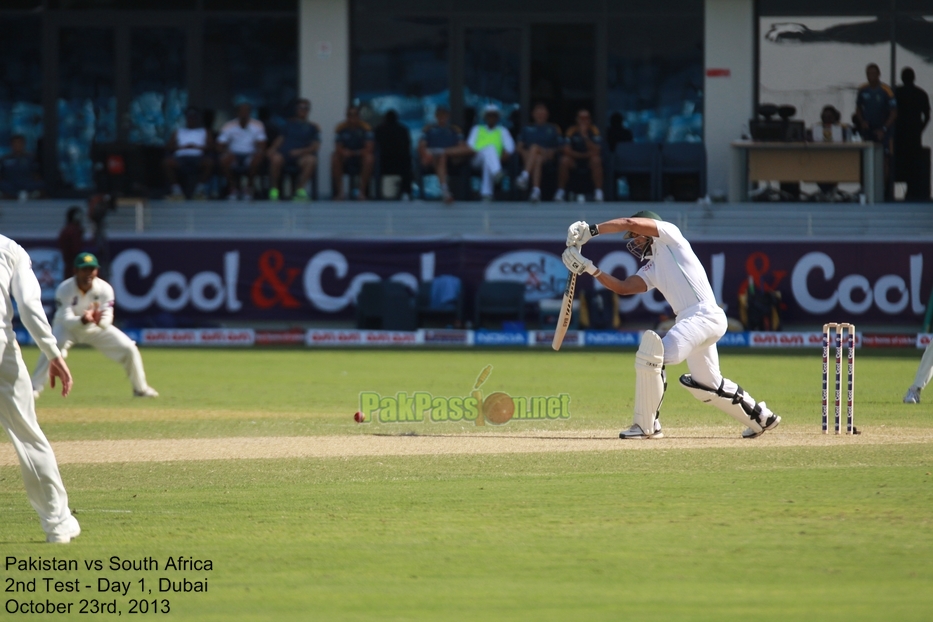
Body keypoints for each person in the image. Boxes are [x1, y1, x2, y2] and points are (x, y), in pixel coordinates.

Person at [562, 211, 780, 439]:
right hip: (696, 322)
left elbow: (629, 222)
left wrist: (591, 231)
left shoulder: (670, 236)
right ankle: (761, 417)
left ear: (648, 229)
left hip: (702, 315)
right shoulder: (652, 267)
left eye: (636, 236)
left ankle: (646, 426)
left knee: (651, 356)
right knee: (707, 385)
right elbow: (623, 287)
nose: (634, 241)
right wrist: (589, 268)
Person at [0, 234, 80, 543]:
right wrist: (53, 353)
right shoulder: (10, 249)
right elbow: (30, 308)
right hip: (2, 350)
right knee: (28, 436)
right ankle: (58, 525)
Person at [31, 253, 158, 400]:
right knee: (52, 348)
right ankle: (34, 387)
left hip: (95, 328)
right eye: (84, 269)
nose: (88, 274)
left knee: (129, 348)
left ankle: (140, 389)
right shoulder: (64, 289)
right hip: (67, 328)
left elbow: (107, 318)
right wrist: (83, 320)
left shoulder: (105, 289)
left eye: (91, 269)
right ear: (76, 271)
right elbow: (66, 320)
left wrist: (98, 321)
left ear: (96, 271)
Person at [855, 63, 897, 198]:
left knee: (884, 160)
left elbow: (894, 112)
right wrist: (862, 122)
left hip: (884, 132)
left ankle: (883, 190)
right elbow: (858, 108)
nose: (871, 76)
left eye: (873, 73)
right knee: (866, 159)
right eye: (868, 74)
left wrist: (884, 129)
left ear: (879, 74)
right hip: (868, 130)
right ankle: (865, 189)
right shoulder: (863, 90)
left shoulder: (886, 90)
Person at [268, 98, 320, 201]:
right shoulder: (288, 124)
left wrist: (300, 152)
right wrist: (272, 149)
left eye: (306, 108)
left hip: (301, 157)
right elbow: (280, 139)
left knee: (311, 160)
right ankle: (274, 189)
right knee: (275, 159)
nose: (303, 110)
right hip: (284, 155)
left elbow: (315, 146)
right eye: (301, 107)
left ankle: (299, 190)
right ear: (296, 109)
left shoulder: (312, 127)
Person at [417, 106, 472, 204]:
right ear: (436, 116)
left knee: (467, 150)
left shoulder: (454, 130)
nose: (442, 117)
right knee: (441, 157)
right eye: (440, 115)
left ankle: (443, 152)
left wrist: (449, 152)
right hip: (433, 158)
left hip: (452, 159)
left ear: (448, 116)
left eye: (444, 115)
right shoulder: (429, 130)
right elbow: (421, 146)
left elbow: (462, 147)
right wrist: (425, 155)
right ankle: (445, 191)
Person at [217, 99, 267, 200]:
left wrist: (257, 152)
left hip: (250, 155)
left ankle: (248, 188)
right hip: (233, 155)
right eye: (242, 111)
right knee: (224, 159)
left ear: (250, 112)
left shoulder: (257, 125)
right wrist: (227, 152)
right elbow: (219, 145)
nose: (244, 113)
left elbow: (262, 146)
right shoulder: (229, 126)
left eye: (247, 111)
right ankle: (233, 188)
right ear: (237, 112)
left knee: (258, 158)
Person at [466, 104, 515, 201]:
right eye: (489, 115)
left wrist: (504, 155)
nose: (491, 118)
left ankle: (486, 194)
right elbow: (469, 147)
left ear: (497, 117)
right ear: (485, 117)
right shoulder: (477, 129)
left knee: (488, 160)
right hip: (476, 159)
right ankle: (497, 172)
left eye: (494, 115)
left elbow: (510, 147)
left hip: (494, 160)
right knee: (489, 149)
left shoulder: (502, 131)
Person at [895, 67, 931, 201]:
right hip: (914, 135)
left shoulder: (896, 92)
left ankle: (891, 190)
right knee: (913, 165)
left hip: (899, 134)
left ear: (902, 78)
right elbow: (927, 116)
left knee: (899, 163)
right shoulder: (921, 94)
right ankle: (912, 191)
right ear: (914, 78)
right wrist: (920, 129)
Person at [515, 102, 563, 203]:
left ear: (547, 114)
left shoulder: (553, 128)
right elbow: (519, 147)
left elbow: (560, 147)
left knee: (534, 148)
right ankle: (536, 191)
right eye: (538, 112)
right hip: (532, 157)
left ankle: (525, 176)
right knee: (537, 158)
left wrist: (551, 151)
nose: (540, 115)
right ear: (533, 114)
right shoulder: (527, 129)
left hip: (547, 155)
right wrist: (525, 154)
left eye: (542, 112)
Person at [164, 106, 214, 200]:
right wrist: (181, 147)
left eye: (194, 117)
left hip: (198, 157)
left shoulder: (204, 131)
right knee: (167, 162)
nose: (191, 120)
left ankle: (199, 190)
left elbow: (211, 147)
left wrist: (197, 147)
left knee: (209, 162)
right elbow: (168, 146)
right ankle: (176, 191)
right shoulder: (179, 131)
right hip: (181, 157)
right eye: (189, 117)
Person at [555, 109, 604, 202]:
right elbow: (566, 150)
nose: (583, 121)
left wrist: (585, 136)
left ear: (590, 120)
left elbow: (597, 150)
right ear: (577, 120)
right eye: (581, 118)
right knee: (564, 160)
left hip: (589, 161)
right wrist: (584, 155)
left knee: (596, 160)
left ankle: (598, 192)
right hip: (575, 160)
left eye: (586, 118)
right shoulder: (571, 130)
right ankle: (560, 191)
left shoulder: (594, 130)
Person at [331, 105, 375, 200]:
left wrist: (356, 153)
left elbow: (369, 148)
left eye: (354, 114)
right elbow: (338, 147)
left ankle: (361, 192)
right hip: (346, 158)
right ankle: (340, 193)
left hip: (360, 157)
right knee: (335, 158)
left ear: (358, 116)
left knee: (369, 158)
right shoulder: (341, 128)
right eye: (349, 114)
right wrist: (344, 152)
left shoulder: (366, 128)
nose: (352, 117)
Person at [373, 109, 412, 200]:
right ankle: (406, 192)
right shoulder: (403, 130)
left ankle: (376, 194)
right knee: (408, 162)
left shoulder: (379, 129)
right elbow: (407, 146)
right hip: (400, 164)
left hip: (383, 163)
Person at [0, 135, 44, 200]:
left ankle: (27, 194)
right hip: (11, 184)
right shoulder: (5, 159)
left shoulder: (30, 158)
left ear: (23, 144)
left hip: (27, 184)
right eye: (15, 143)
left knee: (41, 185)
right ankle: (15, 195)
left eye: (19, 143)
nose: (17, 145)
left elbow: (36, 173)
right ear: (11, 145)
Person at [58, 207, 84, 279]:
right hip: (75, 267)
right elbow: (76, 249)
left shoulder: (66, 230)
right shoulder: (73, 231)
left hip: (70, 266)